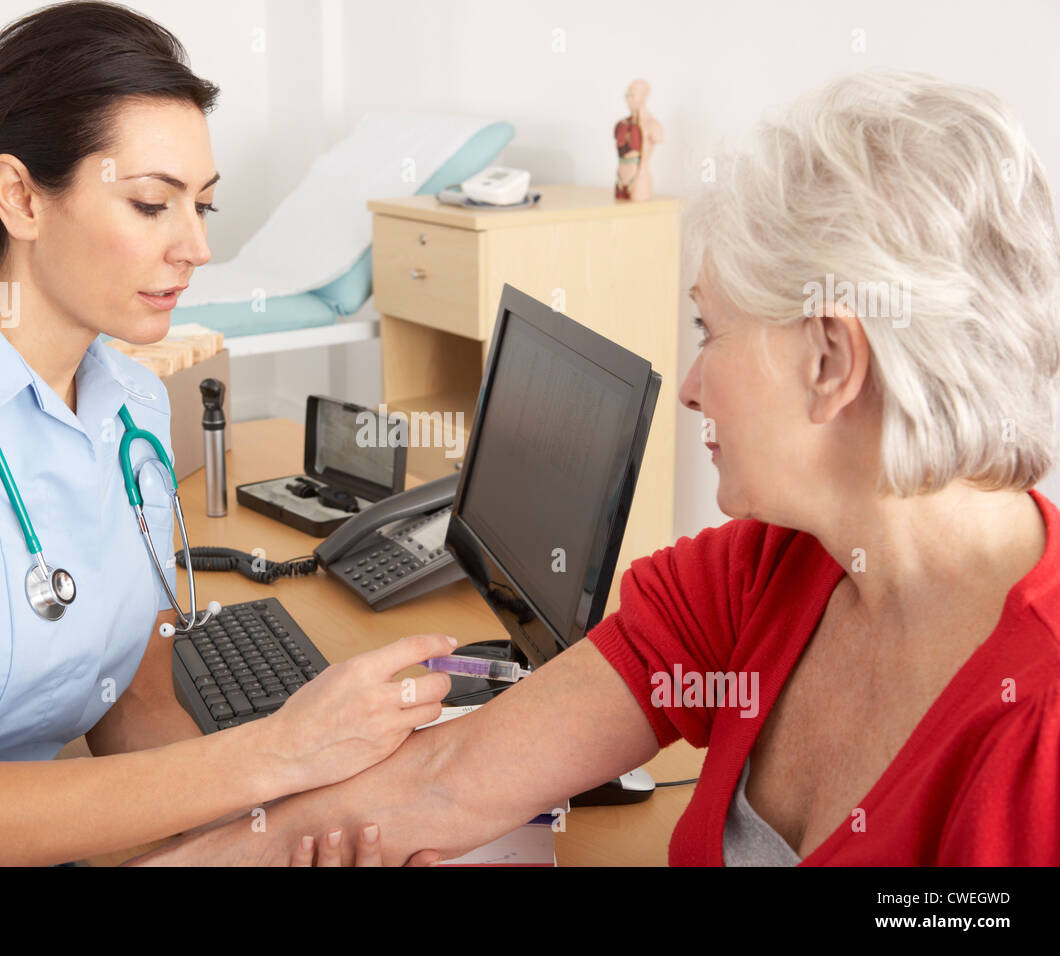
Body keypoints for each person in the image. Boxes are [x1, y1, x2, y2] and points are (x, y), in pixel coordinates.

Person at [133, 69, 1060, 866]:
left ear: (831, 361)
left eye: (712, 331)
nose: (692, 385)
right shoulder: (759, 574)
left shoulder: (1039, 738)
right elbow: (447, 779)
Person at [0, 1, 453, 866]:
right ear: (20, 198)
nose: (194, 246)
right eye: (153, 204)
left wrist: (251, 842)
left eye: (202, 206)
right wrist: (279, 752)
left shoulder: (132, 403)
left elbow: (136, 711)